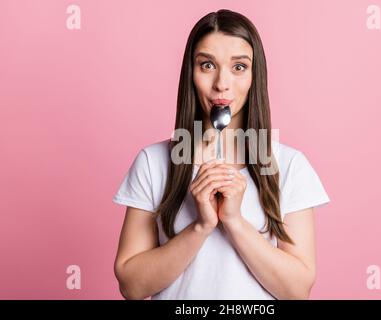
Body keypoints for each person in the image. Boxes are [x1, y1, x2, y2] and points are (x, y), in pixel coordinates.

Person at [112, 9, 330, 300]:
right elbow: (132, 286)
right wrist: (201, 226)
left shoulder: (290, 166)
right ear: (191, 73)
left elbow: (297, 290)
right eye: (207, 65)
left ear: (255, 75)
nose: (221, 84)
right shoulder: (154, 162)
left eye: (238, 67)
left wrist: (235, 221)